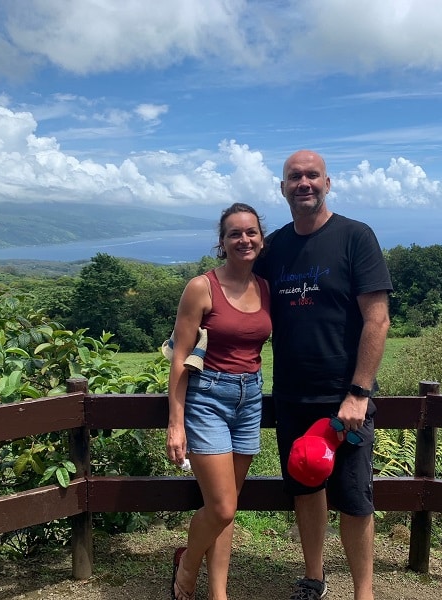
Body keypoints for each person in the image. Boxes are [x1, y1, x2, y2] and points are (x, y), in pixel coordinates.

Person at [254, 150, 392, 600]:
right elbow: (236, 296)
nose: (304, 183)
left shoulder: (355, 237)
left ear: (328, 183)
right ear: (283, 188)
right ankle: (314, 578)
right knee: (305, 489)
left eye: (313, 175)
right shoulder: (273, 249)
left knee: (354, 497)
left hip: (344, 400)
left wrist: (358, 392)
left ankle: (363, 592)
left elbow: (378, 320)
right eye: (295, 177)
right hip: (293, 395)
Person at [166, 202, 272, 600]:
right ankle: (187, 568)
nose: (244, 239)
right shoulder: (202, 287)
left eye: (251, 232)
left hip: (250, 398)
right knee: (223, 507)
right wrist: (176, 423)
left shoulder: (265, 287)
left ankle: (219, 593)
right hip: (208, 397)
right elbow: (179, 355)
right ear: (222, 242)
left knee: (227, 505)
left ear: (261, 239)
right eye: (234, 234)